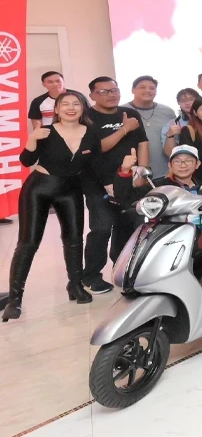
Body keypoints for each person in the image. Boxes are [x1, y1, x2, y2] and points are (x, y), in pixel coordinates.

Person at [4, 92, 100, 321]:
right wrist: (32, 139)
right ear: (56, 109)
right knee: (28, 242)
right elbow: (26, 161)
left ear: (83, 108)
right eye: (64, 104)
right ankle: (14, 299)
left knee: (74, 239)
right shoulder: (45, 131)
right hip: (39, 189)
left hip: (71, 189)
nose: (70, 108)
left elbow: (93, 164)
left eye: (76, 104)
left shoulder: (91, 132)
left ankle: (75, 285)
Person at [82, 76, 148, 294]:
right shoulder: (87, 117)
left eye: (114, 90)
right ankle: (91, 275)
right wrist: (124, 129)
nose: (111, 95)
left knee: (126, 226)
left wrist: (142, 171)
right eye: (103, 92)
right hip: (97, 183)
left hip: (129, 180)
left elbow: (142, 143)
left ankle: (122, 269)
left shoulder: (129, 113)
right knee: (101, 228)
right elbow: (97, 147)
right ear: (92, 95)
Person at [124, 75, 180, 183]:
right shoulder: (123, 111)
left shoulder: (167, 111)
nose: (147, 90)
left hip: (166, 173)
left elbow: (175, 139)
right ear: (133, 90)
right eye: (142, 87)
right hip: (134, 174)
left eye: (152, 88)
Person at [162, 87, 199, 158]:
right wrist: (170, 135)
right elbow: (169, 153)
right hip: (185, 161)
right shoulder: (172, 124)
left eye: (191, 99)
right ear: (178, 103)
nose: (187, 103)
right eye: (182, 100)